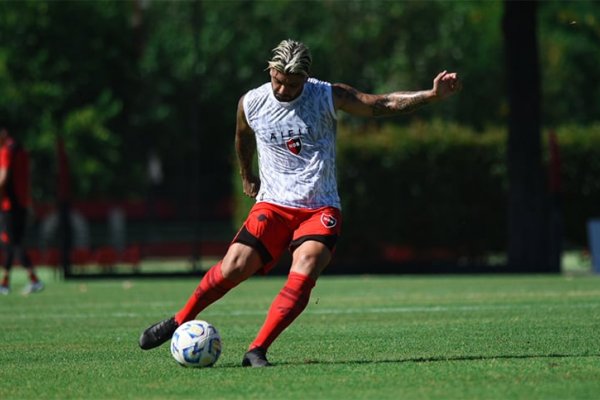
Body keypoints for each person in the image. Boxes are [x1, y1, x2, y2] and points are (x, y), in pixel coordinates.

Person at [139, 39, 461, 366]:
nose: (284, 89)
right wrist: (246, 174)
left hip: (320, 207)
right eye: (279, 80)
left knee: (305, 269)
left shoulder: (326, 95)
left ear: (306, 78)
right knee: (234, 266)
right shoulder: (251, 102)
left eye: (293, 84)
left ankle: (257, 350)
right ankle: (180, 319)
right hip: (274, 204)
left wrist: (431, 95)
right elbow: (243, 136)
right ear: (270, 70)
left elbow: (381, 103)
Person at [0, 125, 44, 295]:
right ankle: (6, 283)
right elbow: (26, 181)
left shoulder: (6, 151)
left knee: (13, 243)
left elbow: (3, 179)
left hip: (9, 206)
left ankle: (33, 280)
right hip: (22, 204)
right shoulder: (23, 152)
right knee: (12, 243)